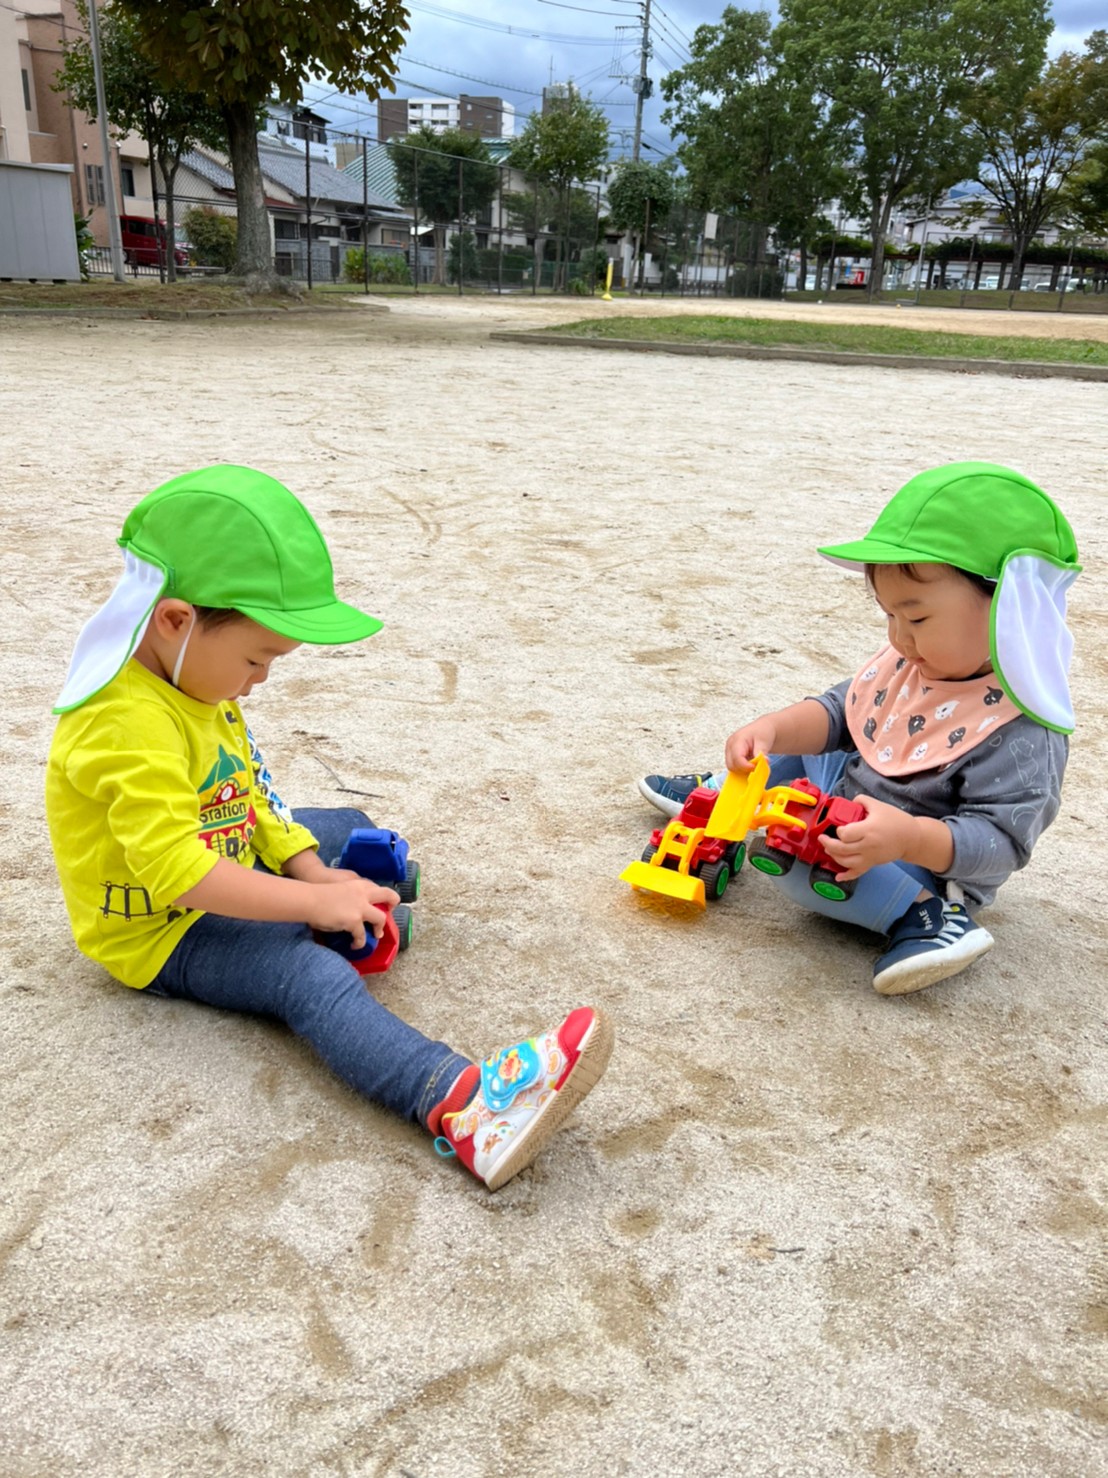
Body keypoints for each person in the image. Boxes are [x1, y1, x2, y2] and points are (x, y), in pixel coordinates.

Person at [46, 465, 612, 1190]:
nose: (260, 679)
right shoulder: (124, 723)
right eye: (257, 658)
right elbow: (176, 872)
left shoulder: (194, 679)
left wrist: (313, 872)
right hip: (163, 928)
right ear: (176, 620)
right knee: (305, 975)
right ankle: (463, 1106)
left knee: (345, 828)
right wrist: (313, 902)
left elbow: (253, 797)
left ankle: (364, 908)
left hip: (221, 848)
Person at [637, 462, 1081, 995]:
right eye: (889, 615)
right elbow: (838, 714)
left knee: (799, 869)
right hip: (845, 801)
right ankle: (722, 796)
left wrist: (907, 838)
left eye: (916, 619)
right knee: (804, 750)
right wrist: (770, 730)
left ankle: (928, 920)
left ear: (1009, 611)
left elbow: (1001, 842)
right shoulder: (911, 663)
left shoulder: (1021, 729)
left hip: (912, 863)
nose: (899, 638)